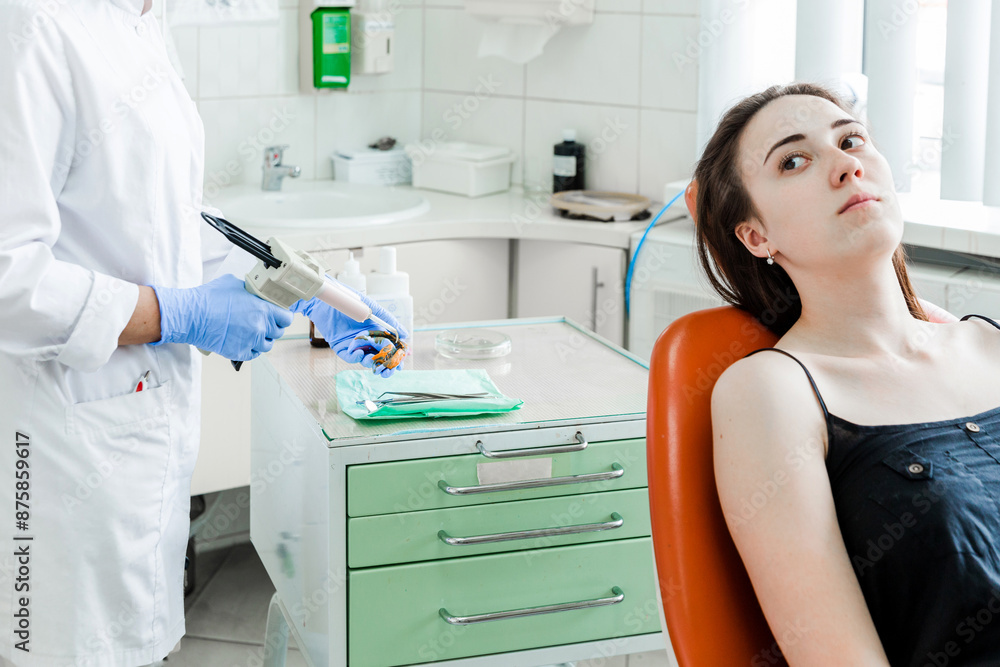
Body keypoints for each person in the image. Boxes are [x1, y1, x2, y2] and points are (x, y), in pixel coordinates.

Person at [0, 1, 404, 665]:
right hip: (57, 448)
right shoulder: (34, 25)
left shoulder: (142, 22)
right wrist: (177, 313)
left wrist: (314, 292)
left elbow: (170, 218)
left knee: (134, 642)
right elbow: (10, 278)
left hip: (136, 438)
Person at [698, 81, 1000, 666]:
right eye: (793, 161)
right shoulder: (772, 391)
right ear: (757, 236)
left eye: (851, 140)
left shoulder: (988, 343)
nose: (845, 166)